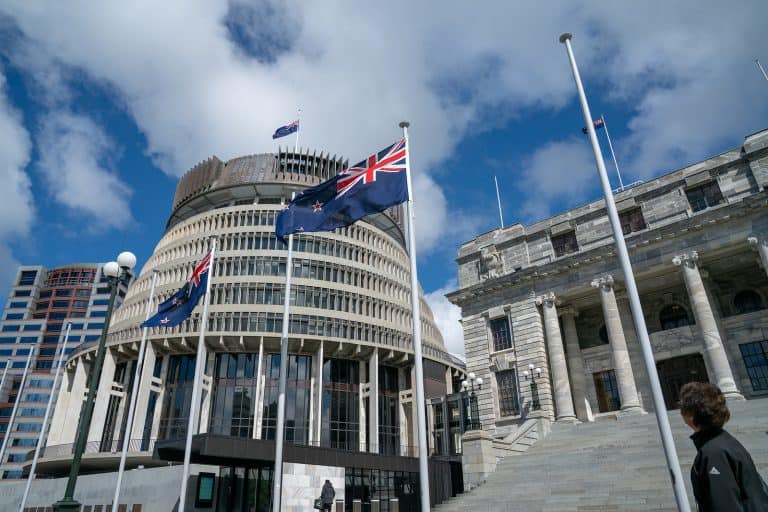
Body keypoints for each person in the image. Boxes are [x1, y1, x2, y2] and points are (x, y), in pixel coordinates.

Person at [679, 382, 768, 511]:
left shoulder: (713, 453)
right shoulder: (723, 440)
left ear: (691, 415)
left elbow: (724, 505)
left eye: (682, 408)